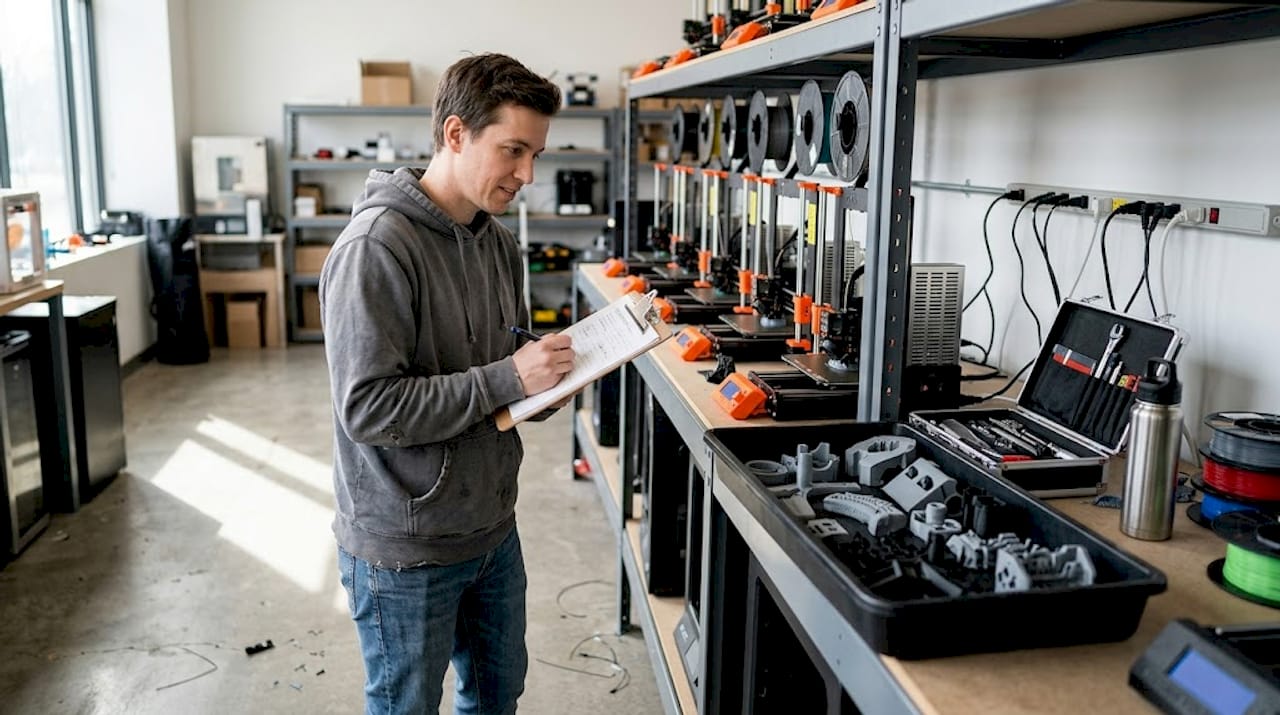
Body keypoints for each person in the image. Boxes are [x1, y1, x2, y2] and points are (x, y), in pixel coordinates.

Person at [319, 53, 575, 714]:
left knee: (497, 695)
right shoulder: (376, 248)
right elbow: (370, 408)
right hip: (406, 550)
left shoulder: (496, 242)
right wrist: (506, 376)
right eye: (513, 150)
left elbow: (500, 367)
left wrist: (544, 383)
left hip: (491, 527)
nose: (527, 175)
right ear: (456, 134)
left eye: (536, 154)